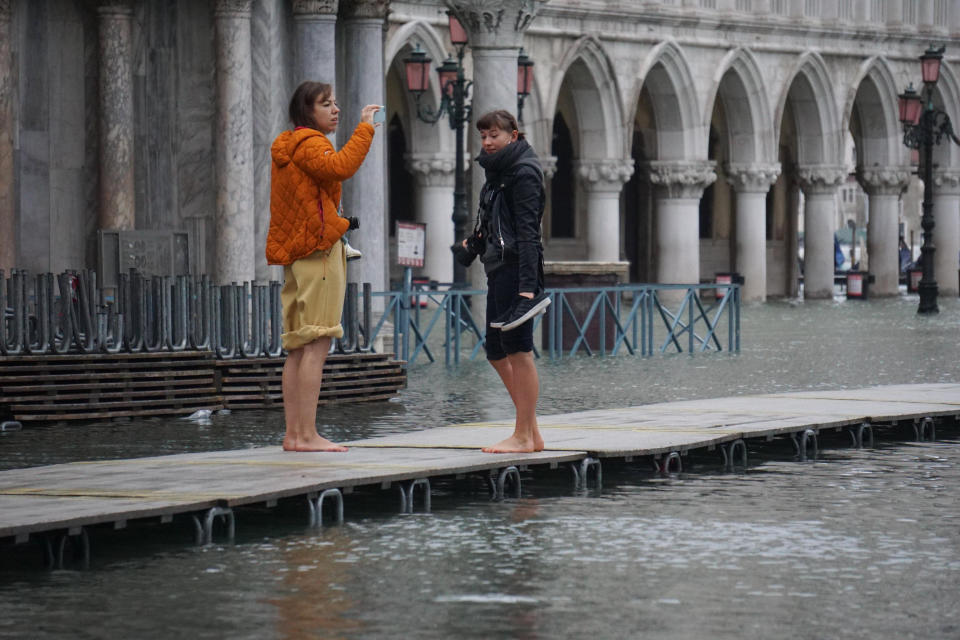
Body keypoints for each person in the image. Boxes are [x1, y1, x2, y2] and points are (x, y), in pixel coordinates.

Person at [266, 81, 380, 452]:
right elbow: (342, 167)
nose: (335, 109)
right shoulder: (312, 143)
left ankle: (294, 435)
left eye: (335, 103)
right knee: (318, 340)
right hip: (318, 250)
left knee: (298, 346)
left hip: (296, 254)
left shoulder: (286, 146)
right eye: (325, 104)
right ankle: (308, 434)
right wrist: (365, 128)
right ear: (307, 111)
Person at [454, 109, 548, 454]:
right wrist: (474, 244)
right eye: (483, 136)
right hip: (497, 267)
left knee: (519, 350)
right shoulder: (497, 173)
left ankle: (523, 434)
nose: (488, 142)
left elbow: (527, 233)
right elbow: (496, 223)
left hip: (515, 270)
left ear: (514, 135)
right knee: (496, 351)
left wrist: (527, 287)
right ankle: (531, 430)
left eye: (495, 135)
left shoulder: (523, 172)